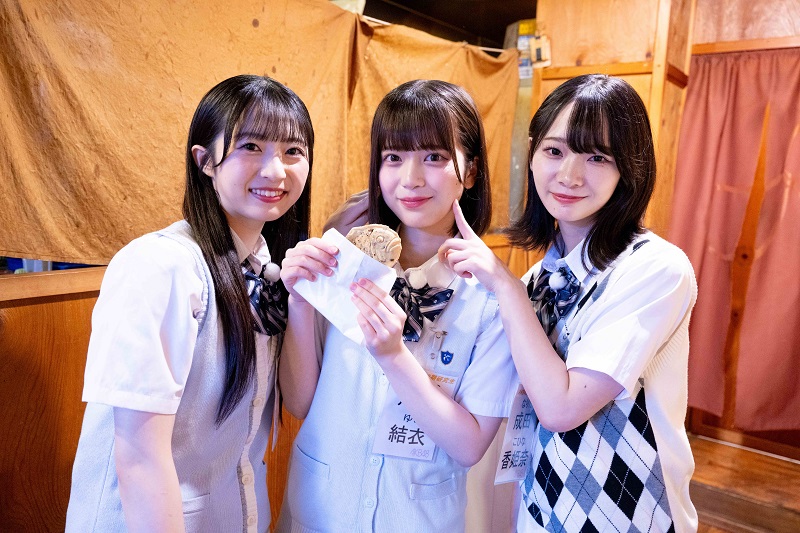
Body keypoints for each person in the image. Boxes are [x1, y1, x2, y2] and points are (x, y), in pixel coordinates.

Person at [439, 74, 698, 532]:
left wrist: (505, 287)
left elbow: (560, 408)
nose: (570, 175)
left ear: (629, 168)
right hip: (543, 510)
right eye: (555, 151)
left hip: (628, 514)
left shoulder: (655, 267)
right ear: (533, 154)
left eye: (597, 157)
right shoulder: (541, 278)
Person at [65, 74, 314, 533]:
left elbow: (297, 402)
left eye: (293, 151)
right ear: (205, 161)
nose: (276, 171)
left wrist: (303, 297)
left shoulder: (267, 268)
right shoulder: (161, 266)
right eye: (251, 146)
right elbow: (139, 457)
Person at [276, 80, 517, 532]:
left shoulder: (490, 297)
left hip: (416, 518)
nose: (410, 178)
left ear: (471, 171)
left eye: (434, 157)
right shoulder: (344, 263)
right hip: (321, 509)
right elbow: (299, 401)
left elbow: (469, 445)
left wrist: (393, 357)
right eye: (393, 157)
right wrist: (301, 299)